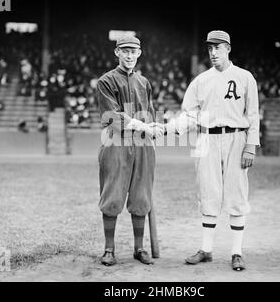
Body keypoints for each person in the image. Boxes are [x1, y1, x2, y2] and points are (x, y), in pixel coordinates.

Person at [164, 30, 260, 271]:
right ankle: (206, 249)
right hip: (207, 138)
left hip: (237, 138)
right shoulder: (200, 81)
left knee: (237, 193)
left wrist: (250, 146)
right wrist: (168, 129)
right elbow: (188, 115)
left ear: (228, 48)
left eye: (218, 47)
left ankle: (236, 252)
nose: (213, 52)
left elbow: (252, 115)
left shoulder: (245, 77)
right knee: (208, 191)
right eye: (209, 48)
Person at [96, 35, 164, 266]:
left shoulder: (145, 83)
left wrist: (153, 127)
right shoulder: (106, 81)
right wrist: (142, 125)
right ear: (117, 53)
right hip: (115, 143)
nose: (129, 55)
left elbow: (151, 113)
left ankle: (139, 248)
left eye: (133, 51)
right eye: (124, 50)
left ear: (139, 53)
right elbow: (112, 117)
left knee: (141, 197)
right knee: (112, 195)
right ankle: (109, 249)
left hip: (143, 146)